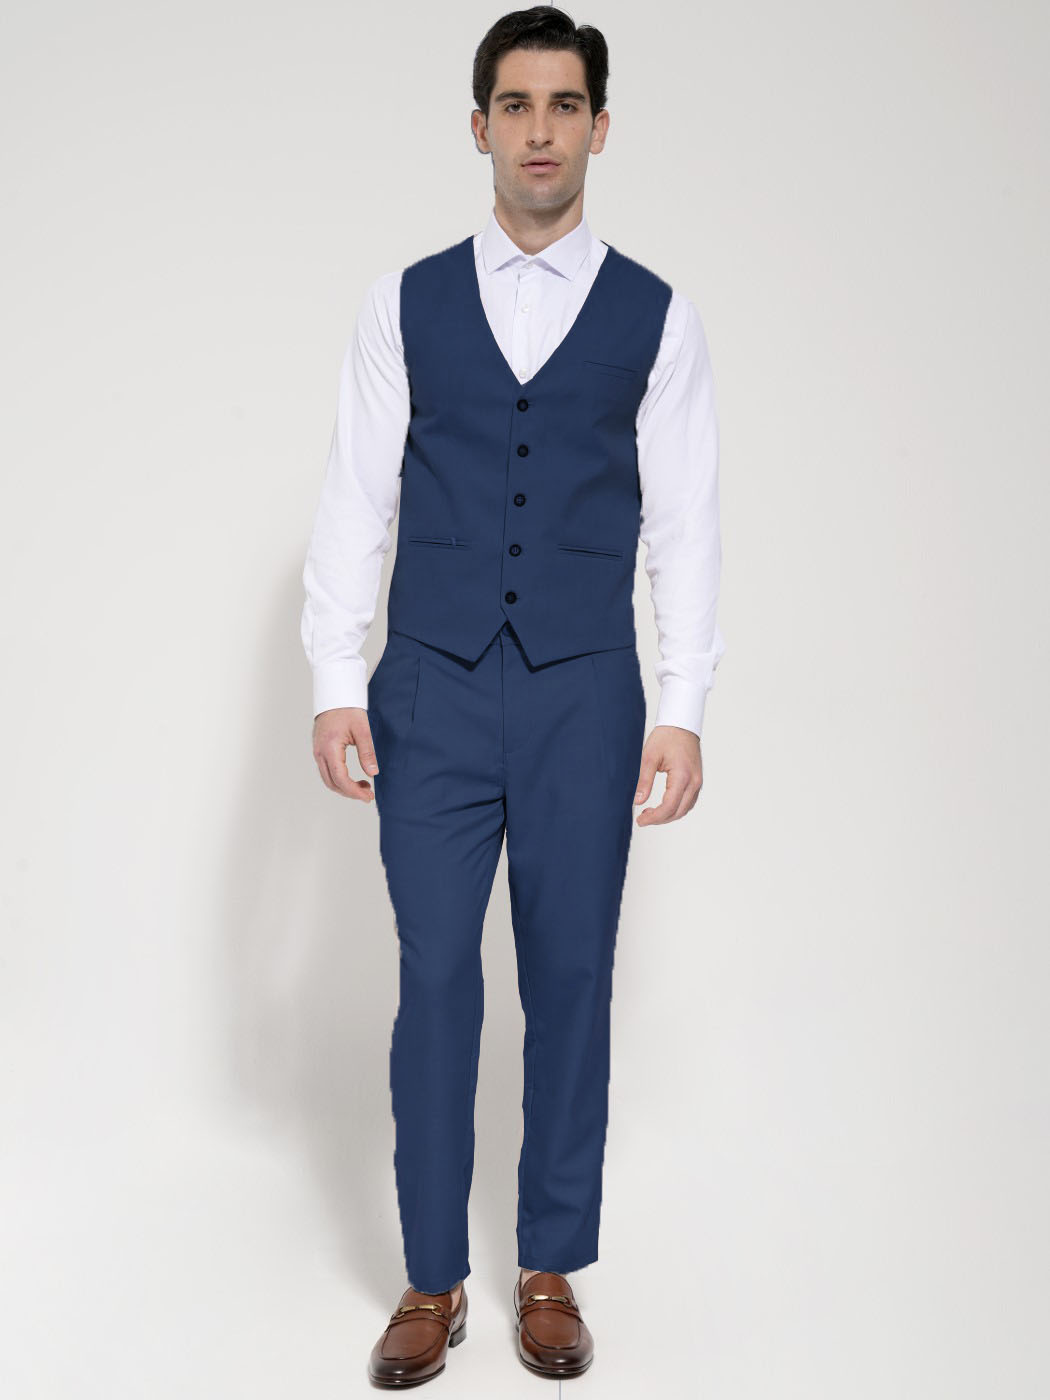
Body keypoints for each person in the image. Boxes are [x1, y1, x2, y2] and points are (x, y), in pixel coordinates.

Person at [300, 6, 725, 1386]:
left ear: (601, 126)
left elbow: (686, 524)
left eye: (565, 104)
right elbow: (357, 497)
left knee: (571, 977)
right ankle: (431, 1279)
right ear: (478, 125)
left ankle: (550, 1266)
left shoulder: (658, 316)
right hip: (426, 685)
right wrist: (334, 676)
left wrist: (682, 704)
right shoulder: (401, 303)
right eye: (517, 105)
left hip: (583, 696)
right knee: (433, 977)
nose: (541, 130)